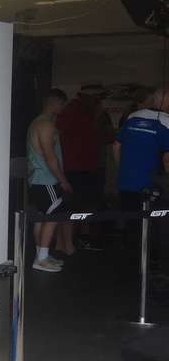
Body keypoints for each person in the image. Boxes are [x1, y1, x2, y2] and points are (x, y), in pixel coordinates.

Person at [57, 84, 112, 250]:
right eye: (98, 98)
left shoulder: (92, 112)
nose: (100, 101)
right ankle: (73, 240)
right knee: (76, 205)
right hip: (76, 167)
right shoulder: (73, 111)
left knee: (87, 203)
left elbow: (105, 136)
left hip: (88, 166)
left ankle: (80, 238)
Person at [28, 89, 72, 272]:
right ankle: (42, 259)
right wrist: (63, 180)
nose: (63, 108)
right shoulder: (45, 125)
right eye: (62, 104)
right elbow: (50, 156)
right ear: (53, 103)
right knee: (54, 216)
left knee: (42, 218)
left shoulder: (37, 123)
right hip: (46, 179)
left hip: (38, 180)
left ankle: (41, 255)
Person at [113, 87, 169, 217]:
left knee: (130, 220)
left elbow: (116, 146)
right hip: (152, 185)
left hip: (126, 182)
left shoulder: (133, 116)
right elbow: (167, 159)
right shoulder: (167, 121)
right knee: (152, 224)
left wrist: (121, 170)